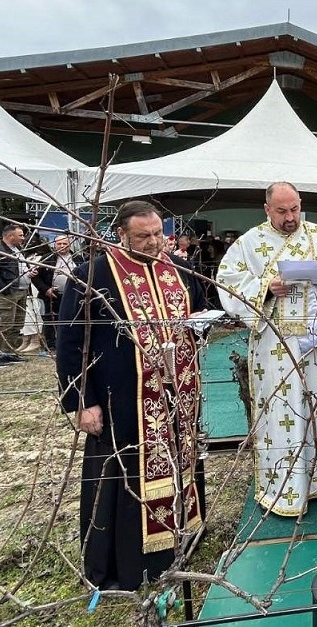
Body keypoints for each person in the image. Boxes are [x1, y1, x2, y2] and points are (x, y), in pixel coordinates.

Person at [56, 200, 205, 590]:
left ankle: (180, 542)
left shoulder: (182, 269)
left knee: (179, 463)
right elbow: (72, 342)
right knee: (123, 474)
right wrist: (80, 401)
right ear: (121, 234)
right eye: (144, 236)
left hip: (178, 393)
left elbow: (202, 311)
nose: (154, 242)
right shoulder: (92, 274)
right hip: (120, 398)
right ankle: (127, 562)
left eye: (158, 234)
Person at [218, 183, 317, 516]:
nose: (290, 217)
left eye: (294, 209)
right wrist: (266, 288)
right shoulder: (248, 243)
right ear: (267, 210)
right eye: (281, 211)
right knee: (282, 414)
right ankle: (283, 490)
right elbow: (227, 279)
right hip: (274, 348)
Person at [0, 223, 33, 367]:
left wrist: (29, 273)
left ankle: (9, 353)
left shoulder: (17, 249)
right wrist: (5, 289)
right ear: (10, 236)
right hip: (8, 293)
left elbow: (18, 269)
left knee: (17, 324)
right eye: (20, 235)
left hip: (21, 290)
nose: (23, 238)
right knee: (5, 324)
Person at [38, 234, 82, 352]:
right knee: (50, 320)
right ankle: (51, 344)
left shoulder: (78, 258)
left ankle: (68, 342)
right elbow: (36, 277)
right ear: (54, 245)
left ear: (69, 245)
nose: (62, 246)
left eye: (65, 244)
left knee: (70, 319)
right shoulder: (46, 258)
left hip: (72, 295)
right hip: (51, 296)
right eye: (59, 244)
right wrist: (46, 289)